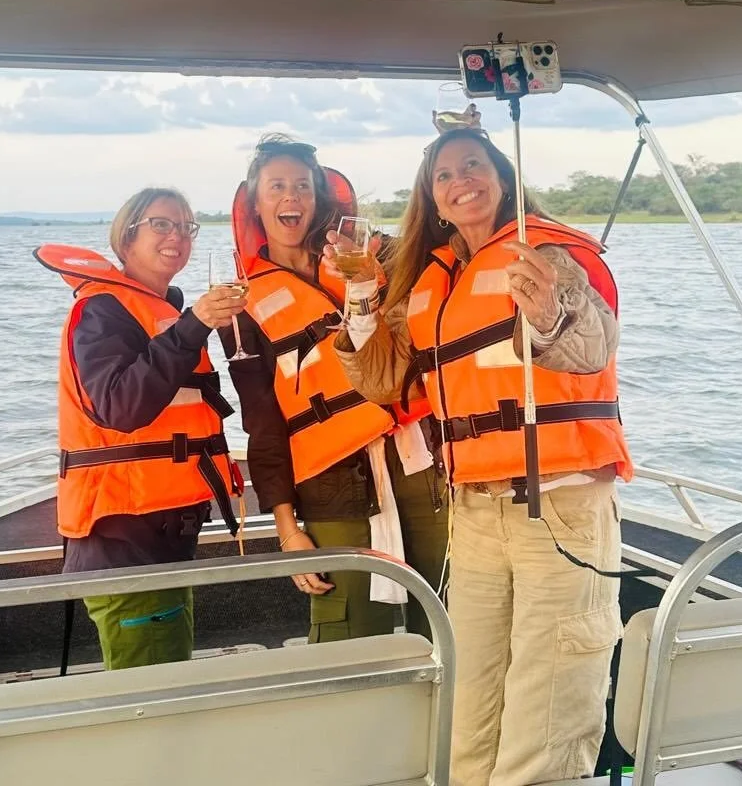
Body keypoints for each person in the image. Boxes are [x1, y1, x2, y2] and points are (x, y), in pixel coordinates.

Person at [331, 124, 633, 786]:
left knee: (549, 700)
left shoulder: (548, 255)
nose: (461, 179)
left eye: (474, 165)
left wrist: (550, 313)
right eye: (444, 175)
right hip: (474, 509)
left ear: (502, 176)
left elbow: (590, 349)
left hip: (560, 504)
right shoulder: (433, 279)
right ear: (432, 201)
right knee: (469, 697)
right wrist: (360, 297)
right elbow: (383, 379)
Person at [220, 134, 448, 643]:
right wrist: (287, 530)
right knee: (346, 640)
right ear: (255, 203)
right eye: (277, 186)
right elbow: (262, 423)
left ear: (319, 198)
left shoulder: (374, 257)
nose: (291, 197)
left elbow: (437, 250)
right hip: (331, 487)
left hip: (418, 467)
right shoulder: (240, 308)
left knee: (447, 620)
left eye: (303, 186)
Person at [36, 187, 246, 670]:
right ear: (127, 237)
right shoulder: (103, 311)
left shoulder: (159, 308)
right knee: (151, 695)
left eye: (187, 227)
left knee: (163, 673)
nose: (178, 236)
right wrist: (193, 326)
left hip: (160, 532)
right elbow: (119, 405)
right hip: (124, 539)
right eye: (162, 224)